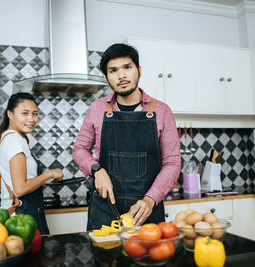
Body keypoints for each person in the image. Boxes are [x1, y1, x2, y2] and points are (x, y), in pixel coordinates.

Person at [72, 43, 181, 230]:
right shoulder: (97, 109)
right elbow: (79, 149)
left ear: (139, 70)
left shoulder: (162, 111)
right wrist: (96, 170)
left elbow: (172, 163)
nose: (121, 75)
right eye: (113, 70)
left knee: (147, 259)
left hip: (146, 209)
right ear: (107, 77)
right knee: (104, 258)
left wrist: (150, 199)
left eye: (127, 67)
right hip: (105, 208)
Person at [0, 92, 64, 234]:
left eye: (35, 114)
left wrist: (35, 182)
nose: (31, 119)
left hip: (9, 214)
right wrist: (49, 174)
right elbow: (20, 188)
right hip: (23, 216)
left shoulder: (2, 138)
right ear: (10, 114)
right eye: (25, 113)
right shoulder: (15, 141)